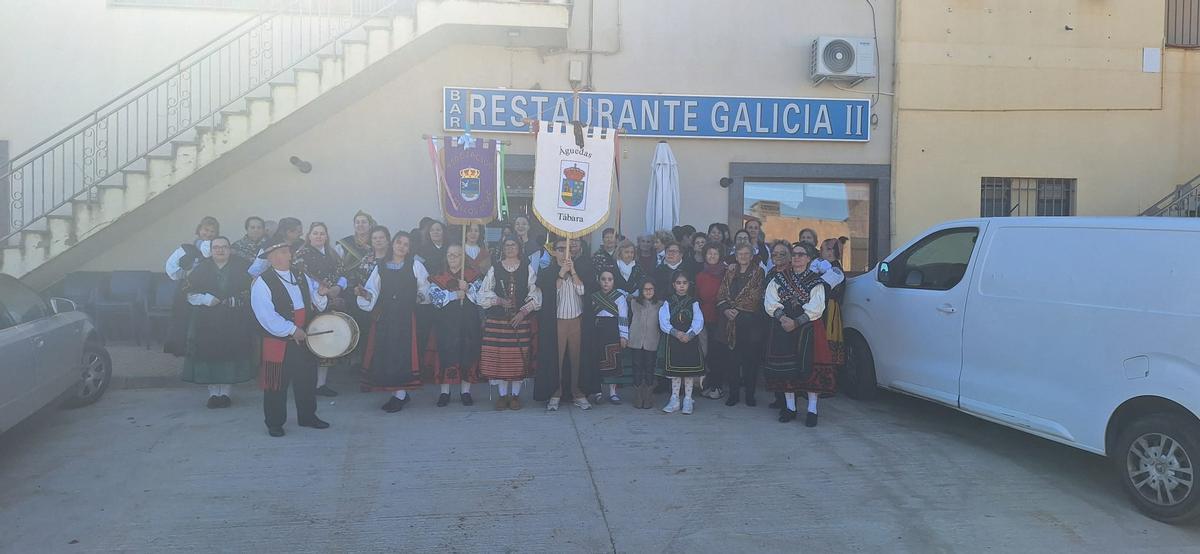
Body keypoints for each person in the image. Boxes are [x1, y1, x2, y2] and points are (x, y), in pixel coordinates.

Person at [251, 241, 332, 437]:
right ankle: (274, 423)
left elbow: (315, 302)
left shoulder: (301, 276)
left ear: (290, 255)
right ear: (269, 259)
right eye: (275, 254)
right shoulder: (262, 282)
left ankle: (307, 417)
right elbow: (265, 316)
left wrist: (321, 295)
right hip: (277, 343)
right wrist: (291, 329)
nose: (280, 256)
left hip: (303, 339)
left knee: (306, 380)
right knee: (275, 384)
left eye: (284, 252)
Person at [356, 231, 428, 413]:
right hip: (386, 317)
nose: (402, 246)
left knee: (402, 354)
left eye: (406, 244)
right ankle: (399, 393)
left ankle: (400, 395)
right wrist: (364, 294)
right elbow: (372, 289)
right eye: (399, 242)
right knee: (388, 353)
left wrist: (418, 297)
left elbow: (426, 287)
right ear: (393, 244)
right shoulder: (380, 266)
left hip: (406, 317)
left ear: (409, 248)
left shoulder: (415, 265)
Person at [181, 236, 255, 408]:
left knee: (229, 354)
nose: (220, 250)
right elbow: (186, 292)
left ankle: (226, 394)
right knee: (210, 355)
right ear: (211, 250)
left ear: (230, 249)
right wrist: (204, 299)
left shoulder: (242, 268)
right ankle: (214, 394)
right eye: (216, 247)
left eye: (224, 247)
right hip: (206, 322)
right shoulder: (201, 269)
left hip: (234, 321)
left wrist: (236, 300)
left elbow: (252, 290)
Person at [762, 242, 827, 426]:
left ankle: (812, 410)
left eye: (801, 254)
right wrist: (783, 319)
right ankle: (790, 408)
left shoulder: (816, 281)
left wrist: (797, 322)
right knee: (787, 369)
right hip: (783, 329)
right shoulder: (779, 278)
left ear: (808, 258)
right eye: (795, 254)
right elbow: (770, 300)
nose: (797, 257)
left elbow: (817, 307)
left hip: (807, 329)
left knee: (809, 370)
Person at [477, 237, 541, 411]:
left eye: (513, 245)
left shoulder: (527, 268)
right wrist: (498, 300)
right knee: (500, 358)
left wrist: (523, 312)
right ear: (502, 248)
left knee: (518, 359)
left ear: (519, 248)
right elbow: (482, 293)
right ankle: (503, 396)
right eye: (507, 245)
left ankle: (515, 396)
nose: (510, 248)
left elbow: (535, 294)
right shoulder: (495, 268)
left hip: (519, 320)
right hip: (498, 321)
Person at [533, 236, 597, 411]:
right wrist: (561, 273)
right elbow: (550, 294)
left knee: (577, 359)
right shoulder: (547, 272)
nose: (564, 253)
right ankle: (555, 393)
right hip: (557, 323)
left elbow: (583, 290)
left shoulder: (581, 268)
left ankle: (578, 392)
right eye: (560, 249)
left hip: (577, 321)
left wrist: (573, 272)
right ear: (554, 252)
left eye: (566, 249)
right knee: (556, 359)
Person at [293, 222, 348, 397]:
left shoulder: (333, 254)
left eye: (322, 233)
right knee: (311, 343)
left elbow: (343, 274)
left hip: (331, 303)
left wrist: (338, 288)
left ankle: (321, 384)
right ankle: (308, 383)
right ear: (309, 236)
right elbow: (299, 280)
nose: (318, 236)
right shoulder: (301, 256)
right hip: (311, 304)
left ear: (326, 236)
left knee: (327, 342)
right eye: (315, 233)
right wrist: (319, 295)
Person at [426, 244, 484, 407]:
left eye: (457, 255)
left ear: (463, 258)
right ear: (446, 256)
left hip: (468, 321)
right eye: (450, 254)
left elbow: (481, 296)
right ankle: (445, 392)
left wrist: (469, 288)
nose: (453, 258)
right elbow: (435, 299)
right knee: (446, 354)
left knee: (467, 353)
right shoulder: (439, 275)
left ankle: (465, 391)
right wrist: (453, 295)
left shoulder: (472, 275)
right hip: (446, 323)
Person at [716, 244, 766, 407]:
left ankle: (750, 395)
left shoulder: (758, 272)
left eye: (746, 254)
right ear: (736, 256)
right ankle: (734, 394)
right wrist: (725, 309)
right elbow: (722, 293)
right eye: (740, 254)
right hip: (730, 323)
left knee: (750, 362)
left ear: (752, 256)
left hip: (751, 324)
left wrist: (736, 309)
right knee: (733, 362)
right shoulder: (730, 271)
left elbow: (755, 296)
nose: (743, 256)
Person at [164, 216, 219, 356]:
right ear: (199, 229)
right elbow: (170, 268)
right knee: (183, 319)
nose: (209, 233)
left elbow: (207, 253)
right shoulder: (185, 249)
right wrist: (185, 274)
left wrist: (206, 244)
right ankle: (183, 349)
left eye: (213, 231)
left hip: (208, 290)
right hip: (187, 288)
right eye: (206, 229)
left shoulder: (217, 249)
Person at [658, 270, 705, 415]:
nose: (681, 286)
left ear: (689, 284)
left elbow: (699, 320)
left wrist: (690, 334)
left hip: (689, 340)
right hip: (674, 340)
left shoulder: (694, 302)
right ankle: (674, 399)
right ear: (674, 285)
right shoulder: (668, 301)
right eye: (678, 283)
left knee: (689, 372)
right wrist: (676, 333)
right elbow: (663, 320)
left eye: (684, 283)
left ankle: (688, 399)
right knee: (675, 372)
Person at [591, 270, 630, 404]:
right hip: (598, 331)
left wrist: (624, 336)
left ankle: (613, 392)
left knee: (613, 362)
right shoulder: (594, 296)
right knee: (598, 360)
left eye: (610, 279)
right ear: (599, 280)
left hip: (613, 331)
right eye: (603, 279)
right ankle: (598, 391)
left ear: (614, 281)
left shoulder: (619, 297)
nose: (606, 282)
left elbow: (623, 317)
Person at [694, 244, 726, 399]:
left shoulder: (726, 273)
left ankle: (717, 386)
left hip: (720, 318)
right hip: (704, 318)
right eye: (709, 253)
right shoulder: (700, 275)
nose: (712, 256)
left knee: (717, 353)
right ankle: (707, 384)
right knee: (706, 353)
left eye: (715, 253)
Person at [627, 279, 663, 409]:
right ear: (641, 291)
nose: (648, 291)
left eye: (651, 289)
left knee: (649, 367)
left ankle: (648, 395)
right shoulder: (634, 302)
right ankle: (638, 395)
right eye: (645, 289)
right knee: (637, 367)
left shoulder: (660, 304)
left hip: (652, 340)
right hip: (636, 339)